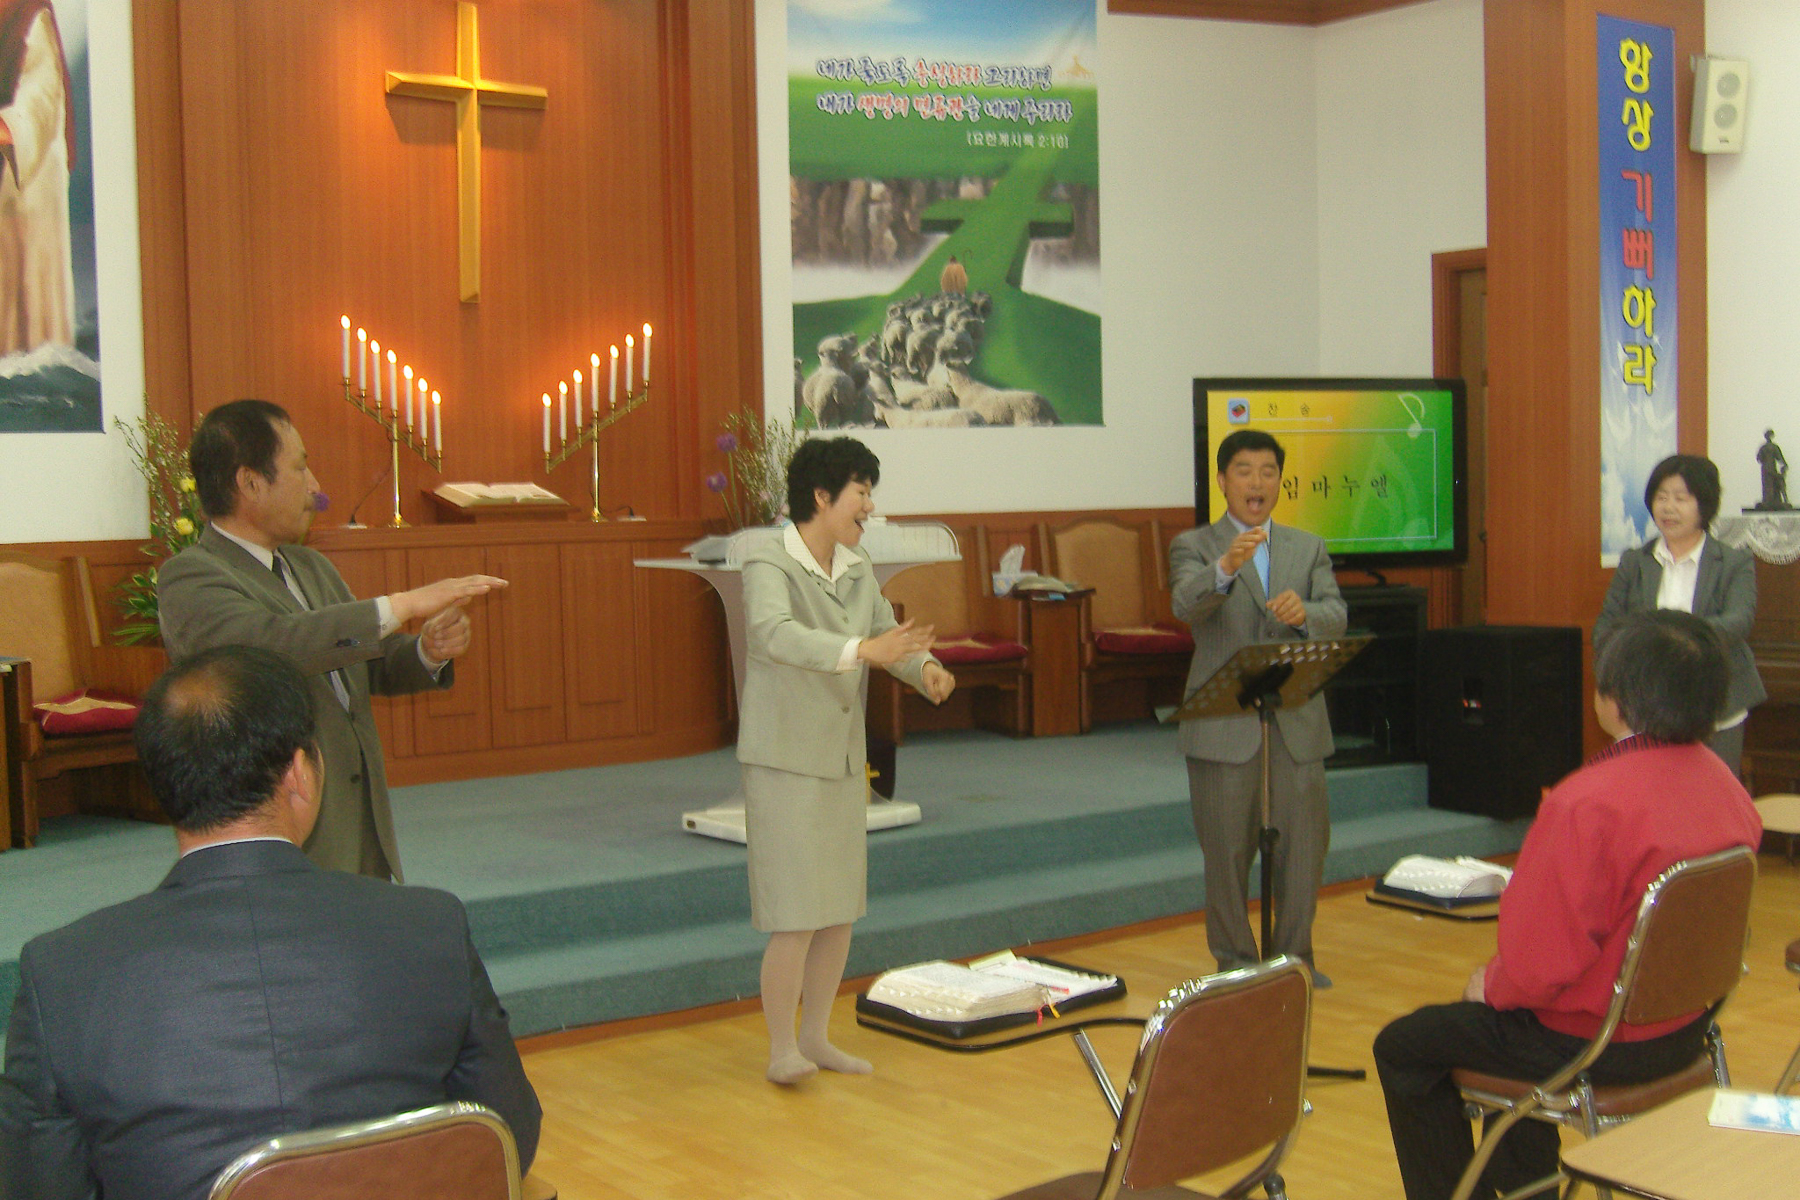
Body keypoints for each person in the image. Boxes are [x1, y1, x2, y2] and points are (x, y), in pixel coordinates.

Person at [0, 645, 542, 1200]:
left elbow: (38, 1185)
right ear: (300, 773)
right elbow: (505, 1139)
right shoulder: (430, 926)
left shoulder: (62, 972)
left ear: (162, 785)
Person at [1373, 610, 1761, 1200]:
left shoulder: (1586, 804)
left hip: (1598, 1043)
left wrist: (1490, 986)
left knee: (1407, 1045)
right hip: (1688, 1029)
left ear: (1614, 700)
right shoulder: (1725, 785)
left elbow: (1537, 970)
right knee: (1505, 1027)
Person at [157, 399, 507, 879]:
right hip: (286, 827)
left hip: (359, 813)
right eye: (300, 468)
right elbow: (271, 648)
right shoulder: (192, 576)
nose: (315, 486)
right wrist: (401, 604)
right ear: (250, 482)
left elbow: (362, 660)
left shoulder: (310, 566)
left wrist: (426, 650)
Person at [737, 437, 955, 1084]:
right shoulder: (767, 560)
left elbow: (892, 636)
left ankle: (816, 1037)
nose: (869, 504)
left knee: (836, 908)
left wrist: (927, 669)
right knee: (793, 912)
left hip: (839, 758)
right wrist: (864, 650)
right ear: (822, 496)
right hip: (785, 760)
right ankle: (782, 1049)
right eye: (861, 490)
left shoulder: (857, 567)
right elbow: (775, 635)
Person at [1169, 429, 1346, 983]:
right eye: (1244, 471)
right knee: (1226, 853)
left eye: (1268, 472)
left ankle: (1296, 961)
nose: (1257, 482)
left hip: (1295, 722)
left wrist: (1304, 616)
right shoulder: (1195, 546)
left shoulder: (1307, 547)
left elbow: (1335, 614)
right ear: (1223, 481)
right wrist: (1224, 568)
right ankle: (1235, 964)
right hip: (1224, 727)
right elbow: (1185, 606)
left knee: (1304, 848)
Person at [1595, 453, 1763, 776]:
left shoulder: (1733, 562)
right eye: (1661, 497)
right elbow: (1607, 624)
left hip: (1717, 703)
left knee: (1711, 799)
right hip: (1647, 704)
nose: (1668, 508)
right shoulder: (1636, 561)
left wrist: (1668, 641)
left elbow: (1738, 621)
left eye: (1680, 498)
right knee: (1653, 797)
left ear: (1705, 505)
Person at [0, 0, 77, 355]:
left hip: (26, 182)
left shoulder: (29, 12)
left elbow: (42, 99)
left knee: (26, 299)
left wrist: (9, 128)